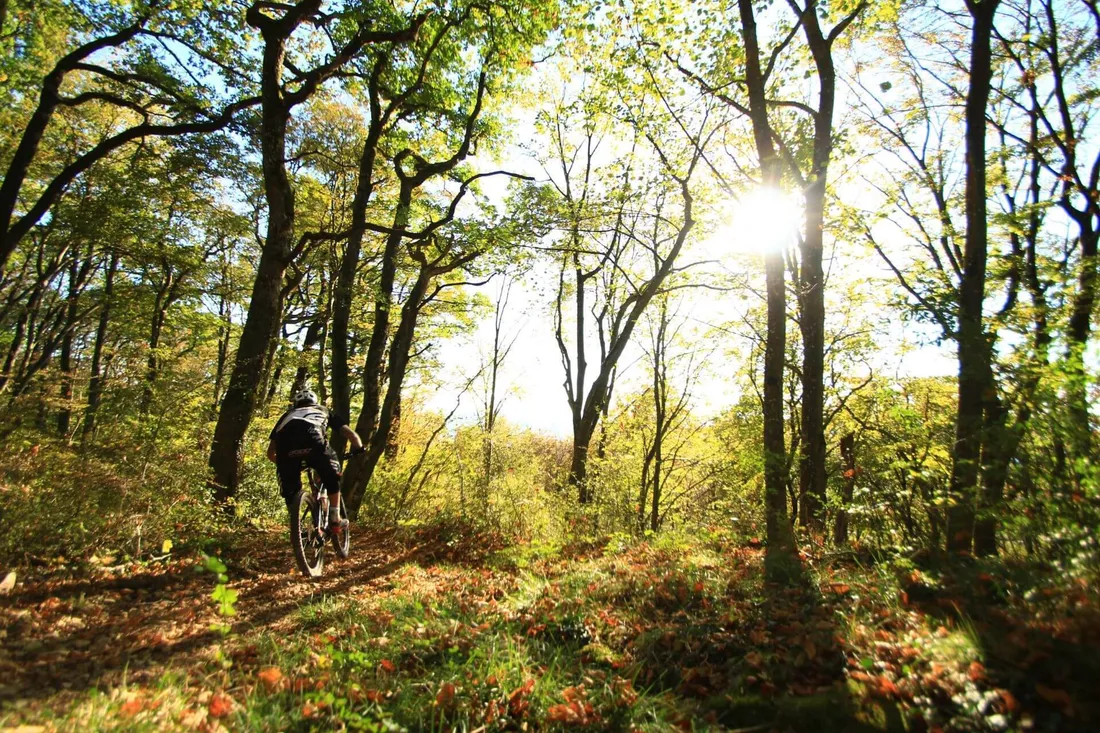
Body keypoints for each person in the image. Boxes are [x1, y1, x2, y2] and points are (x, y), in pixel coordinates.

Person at [267, 389, 363, 530]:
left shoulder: (287, 415)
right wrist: (359, 448)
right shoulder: (324, 410)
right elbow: (350, 434)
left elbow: (270, 452)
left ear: (296, 404)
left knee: (290, 491)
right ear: (315, 402)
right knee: (332, 479)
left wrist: (283, 462)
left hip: (286, 450)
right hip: (316, 447)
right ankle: (335, 518)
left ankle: (296, 525)